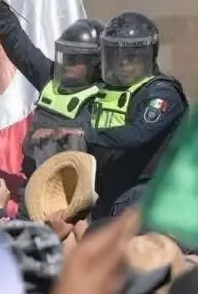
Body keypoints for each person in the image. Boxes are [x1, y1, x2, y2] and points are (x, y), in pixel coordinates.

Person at [59, 12, 188, 219]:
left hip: (146, 191)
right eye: (116, 57)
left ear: (149, 55)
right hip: (109, 189)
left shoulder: (162, 93)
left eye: (131, 57)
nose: (123, 64)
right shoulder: (109, 91)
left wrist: (84, 134)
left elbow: (137, 134)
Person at [0, 0, 105, 177]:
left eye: (76, 59)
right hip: (37, 183)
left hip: (80, 188)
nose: (67, 63)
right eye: (65, 56)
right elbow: (20, 48)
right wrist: (1, 8)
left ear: (96, 64)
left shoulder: (106, 97)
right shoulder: (50, 76)